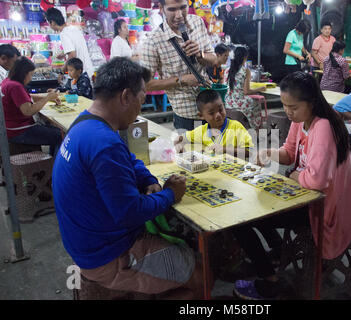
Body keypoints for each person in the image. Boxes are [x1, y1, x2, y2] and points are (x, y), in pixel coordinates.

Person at [52, 57, 202, 299]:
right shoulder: (103, 143)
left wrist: (148, 179)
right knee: (200, 275)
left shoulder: (86, 123)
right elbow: (129, 212)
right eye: (141, 101)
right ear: (125, 97)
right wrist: (169, 194)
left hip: (87, 242)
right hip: (108, 255)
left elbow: (129, 158)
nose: (139, 111)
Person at [232, 71, 351, 299]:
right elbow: (290, 153)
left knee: (241, 220)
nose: (288, 112)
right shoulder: (302, 121)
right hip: (305, 197)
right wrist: (269, 152)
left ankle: (270, 281)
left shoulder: (324, 127)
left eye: (294, 107)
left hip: (322, 208)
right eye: (284, 105)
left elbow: (317, 181)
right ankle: (279, 250)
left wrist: (296, 177)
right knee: (253, 202)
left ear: (312, 103)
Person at [141, 0, 217, 131]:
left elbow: (214, 60)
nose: (179, 15)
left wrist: (200, 54)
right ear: (161, 8)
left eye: (183, 7)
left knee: (217, 149)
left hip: (211, 108)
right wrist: (181, 80)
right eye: (172, 9)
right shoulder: (152, 42)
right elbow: (144, 84)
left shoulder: (197, 22)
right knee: (192, 150)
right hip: (186, 115)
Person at [1, 56, 62, 156]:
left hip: (11, 127)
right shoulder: (16, 86)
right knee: (60, 135)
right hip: (19, 131)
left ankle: (52, 160)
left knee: (54, 130)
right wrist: (47, 98)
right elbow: (28, 111)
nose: (31, 78)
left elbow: (24, 97)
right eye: (31, 75)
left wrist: (47, 96)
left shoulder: (8, 81)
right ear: (24, 74)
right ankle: (57, 166)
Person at [174, 89, 253, 158]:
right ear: (201, 116)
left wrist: (225, 149)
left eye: (220, 109)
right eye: (211, 113)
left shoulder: (236, 127)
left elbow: (250, 152)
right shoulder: (202, 131)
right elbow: (181, 137)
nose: (218, 115)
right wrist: (178, 144)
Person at [45, 7, 94, 79]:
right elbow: (75, 48)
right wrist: (65, 53)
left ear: (52, 22)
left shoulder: (64, 34)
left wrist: (62, 71)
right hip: (88, 70)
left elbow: (72, 55)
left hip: (80, 74)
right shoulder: (73, 28)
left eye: (48, 23)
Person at [224, 46, 266, 129]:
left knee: (251, 101)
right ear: (245, 57)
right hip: (240, 104)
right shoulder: (245, 71)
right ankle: (256, 128)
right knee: (256, 103)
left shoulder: (227, 70)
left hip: (228, 102)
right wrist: (260, 89)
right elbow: (246, 92)